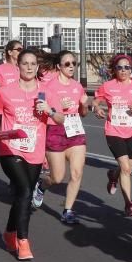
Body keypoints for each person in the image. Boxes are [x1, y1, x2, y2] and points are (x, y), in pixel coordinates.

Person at [0, 48, 57, 260]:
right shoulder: (5, 91)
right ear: (18, 66)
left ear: (37, 67)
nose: (28, 67)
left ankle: (9, 232)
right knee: (25, 191)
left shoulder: (45, 92)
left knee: (21, 196)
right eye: (24, 63)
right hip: (10, 148)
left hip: (34, 150)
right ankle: (23, 241)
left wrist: (50, 111)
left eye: (32, 64)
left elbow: (60, 119)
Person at [93, 54, 132, 217]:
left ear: (131, 69)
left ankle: (113, 175)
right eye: (120, 67)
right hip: (114, 131)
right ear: (114, 69)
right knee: (127, 169)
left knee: (125, 168)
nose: (123, 70)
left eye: (127, 67)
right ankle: (129, 204)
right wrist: (97, 108)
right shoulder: (108, 86)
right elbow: (96, 99)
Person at [40, 51, 89, 224]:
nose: (71, 67)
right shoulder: (48, 87)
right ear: (59, 67)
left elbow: (83, 113)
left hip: (75, 131)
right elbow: (40, 110)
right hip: (55, 131)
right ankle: (42, 186)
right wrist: (58, 106)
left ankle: (68, 210)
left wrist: (85, 104)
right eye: (67, 64)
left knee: (76, 173)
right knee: (57, 177)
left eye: (73, 63)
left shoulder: (77, 86)